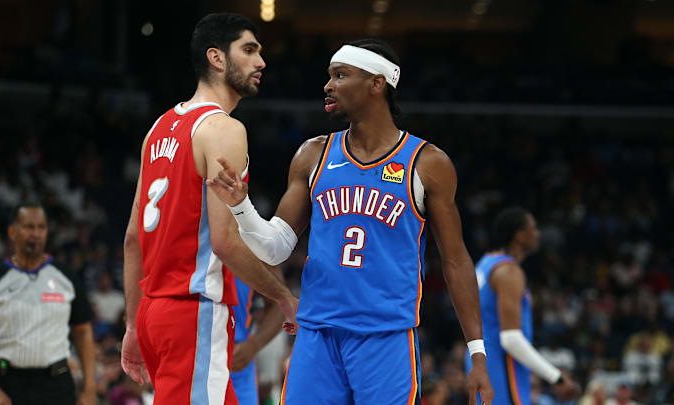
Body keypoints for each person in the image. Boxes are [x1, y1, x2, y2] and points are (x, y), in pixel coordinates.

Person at [208, 39, 494, 404]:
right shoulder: (313, 153)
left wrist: (477, 353)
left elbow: (455, 260)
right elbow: (276, 248)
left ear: (377, 84)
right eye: (329, 76)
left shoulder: (427, 163)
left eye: (340, 76)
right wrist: (241, 207)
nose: (328, 86)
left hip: (385, 337)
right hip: (316, 334)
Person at [120, 12, 298, 405]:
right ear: (217, 58)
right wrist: (283, 297)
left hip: (153, 311)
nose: (261, 62)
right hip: (193, 311)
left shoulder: (159, 127)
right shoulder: (224, 130)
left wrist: (133, 326)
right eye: (249, 50)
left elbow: (133, 238)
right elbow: (224, 242)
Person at [0, 203, 96, 405]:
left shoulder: (65, 276)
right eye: (29, 227)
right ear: (12, 232)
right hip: (8, 384)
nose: (36, 234)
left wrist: (90, 389)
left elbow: (83, 332)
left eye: (41, 227)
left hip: (56, 384)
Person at [464, 207, 579, 405]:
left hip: (480, 362)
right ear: (518, 235)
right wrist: (556, 378)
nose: (537, 234)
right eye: (533, 228)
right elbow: (511, 339)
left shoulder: (484, 264)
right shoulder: (508, 271)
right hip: (502, 367)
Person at [230, 277, 284, 405]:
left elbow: (281, 301)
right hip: (190, 355)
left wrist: (255, 344)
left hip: (238, 362)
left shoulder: (252, 256)